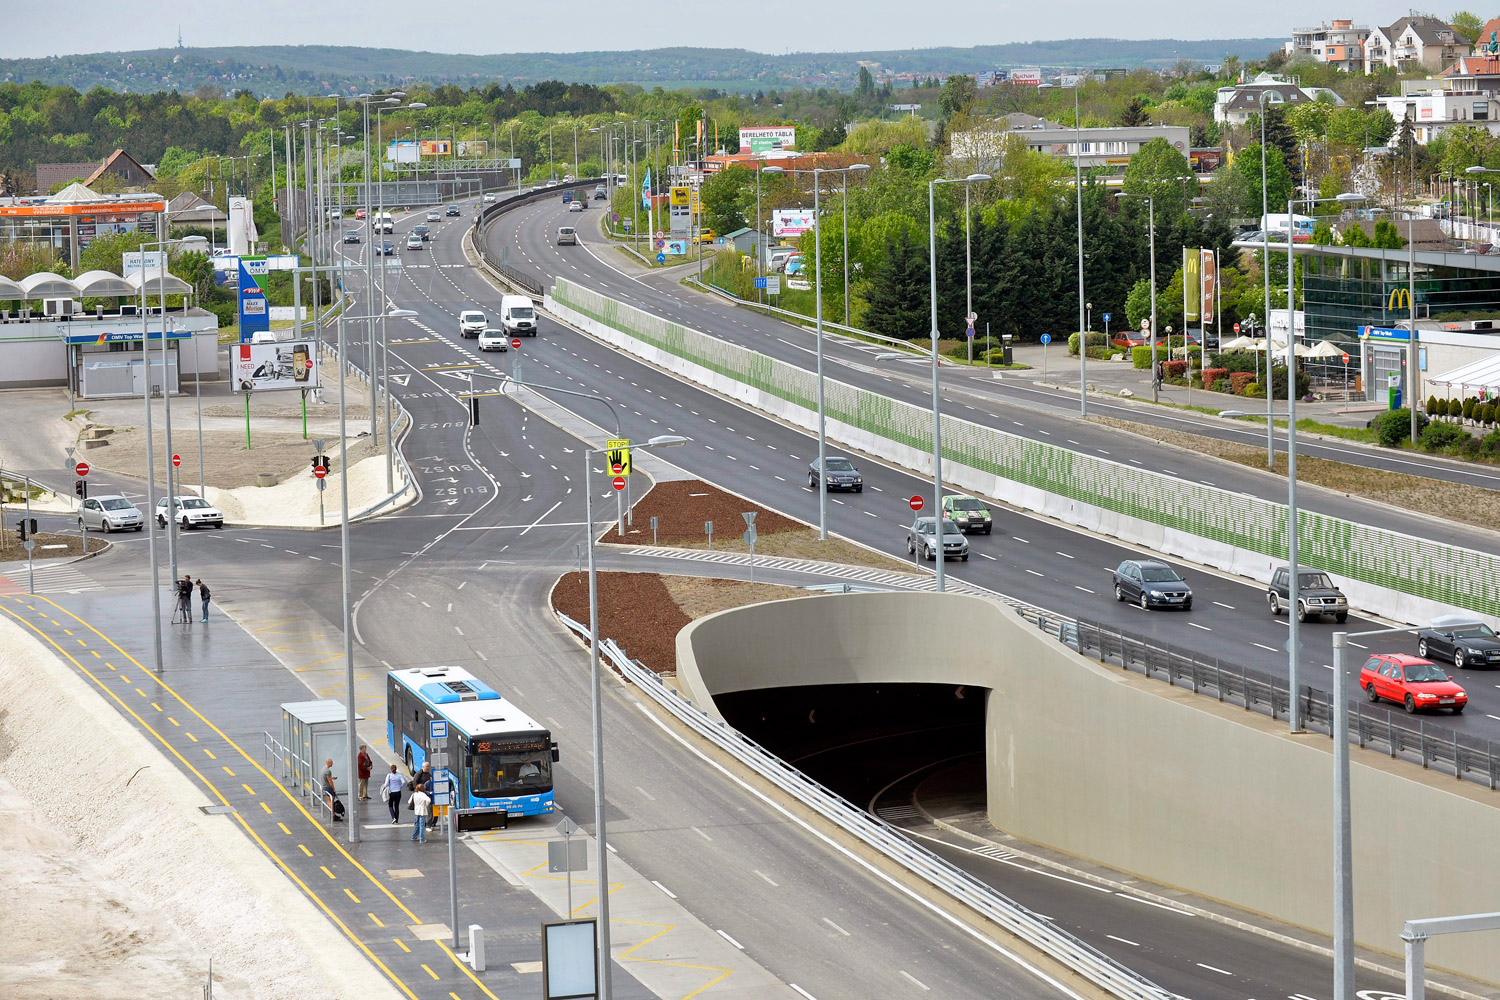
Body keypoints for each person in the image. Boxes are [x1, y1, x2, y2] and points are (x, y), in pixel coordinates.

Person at [322, 758, 345, 823]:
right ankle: (333, 815)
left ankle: (332, 814)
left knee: (329, 801)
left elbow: (327, 778)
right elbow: (330, 781)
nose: (332, 764)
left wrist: (332, 778)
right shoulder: (328, 771)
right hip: (328, 787)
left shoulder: (323, 769)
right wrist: (333, 788)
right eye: (331, 763)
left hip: (324, 787)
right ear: (328, 763)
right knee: (331, 801)